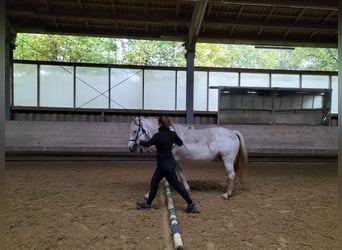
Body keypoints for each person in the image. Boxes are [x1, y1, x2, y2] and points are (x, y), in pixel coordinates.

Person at [136, 116, 198, 214]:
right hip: (165, 164)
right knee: (154, 182)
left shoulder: (157, 136)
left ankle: (191, 204)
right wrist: (174, 136)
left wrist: (139, 142)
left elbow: (147, 144)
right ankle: (147, 204)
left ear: (160, 124)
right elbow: (180, 143)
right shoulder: (172, 134)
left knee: (177, 185)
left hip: (166, 165)